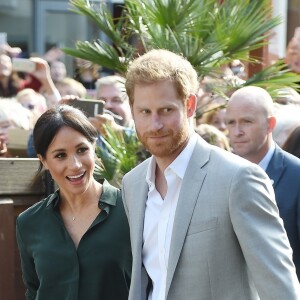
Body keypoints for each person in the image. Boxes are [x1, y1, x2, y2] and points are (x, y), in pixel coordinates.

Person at [121, 49, 300, 300]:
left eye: (166, 110)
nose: (155, 125)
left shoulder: (238, 178)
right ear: (132, 109)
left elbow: (280, 288)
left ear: (190, 105)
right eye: (145, 112)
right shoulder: (133, 184)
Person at [16, 105, 132, 299]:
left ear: (94, 148)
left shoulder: (129, 210)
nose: (75, 165)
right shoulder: (29, 222)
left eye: (82, 150)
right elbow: (33, 290)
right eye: (60, 155)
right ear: (43, 161)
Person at [225, 85, 300, 281]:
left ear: (270, 125)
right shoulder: (219, 173)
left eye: (246, 122)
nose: (237, 131)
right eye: (231, 123)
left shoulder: (296, 175)